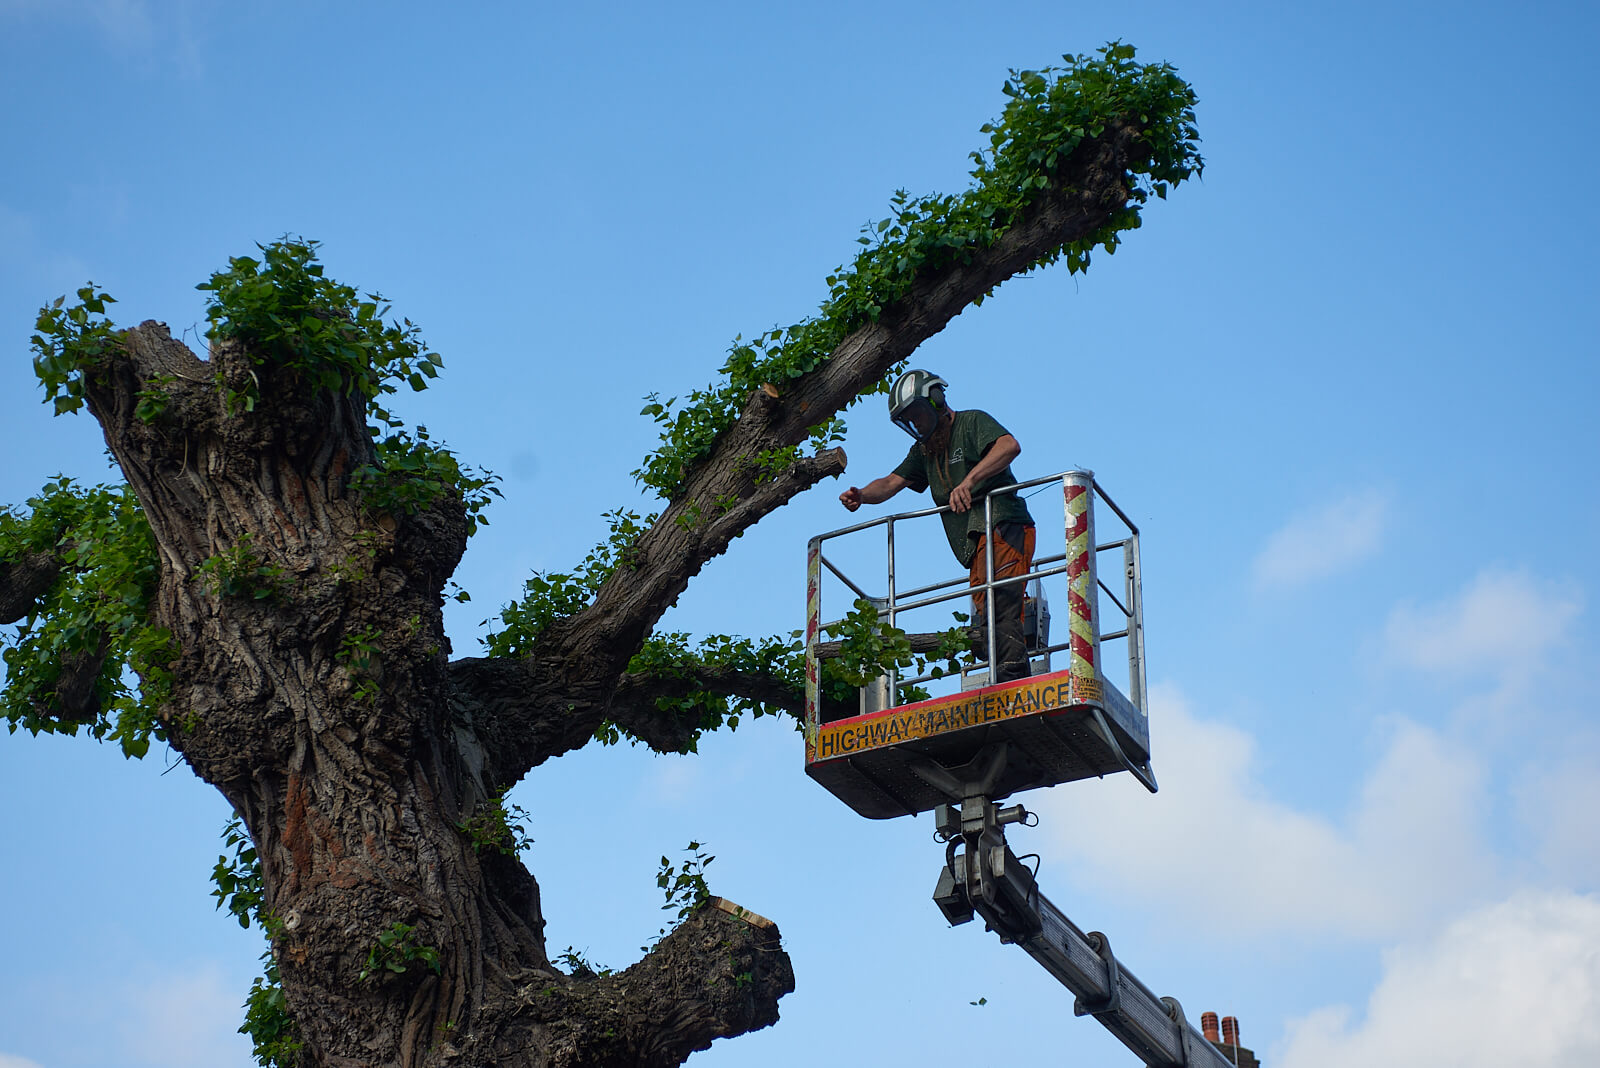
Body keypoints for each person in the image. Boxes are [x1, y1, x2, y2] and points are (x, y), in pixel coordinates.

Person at [840, 369, 1036, 683]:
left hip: (1003, 524)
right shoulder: (924, 451)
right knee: (987, 609)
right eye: (910, 420)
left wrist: (969, 482)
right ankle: (1000, 665)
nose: (917, 424)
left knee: (1001, 602)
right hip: (975, 543)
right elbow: (891, 482)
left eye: (918, 414)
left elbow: (1009, 446)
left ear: (936, 401)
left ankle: (1014, 674)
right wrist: (862, 495)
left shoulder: (972, 422)